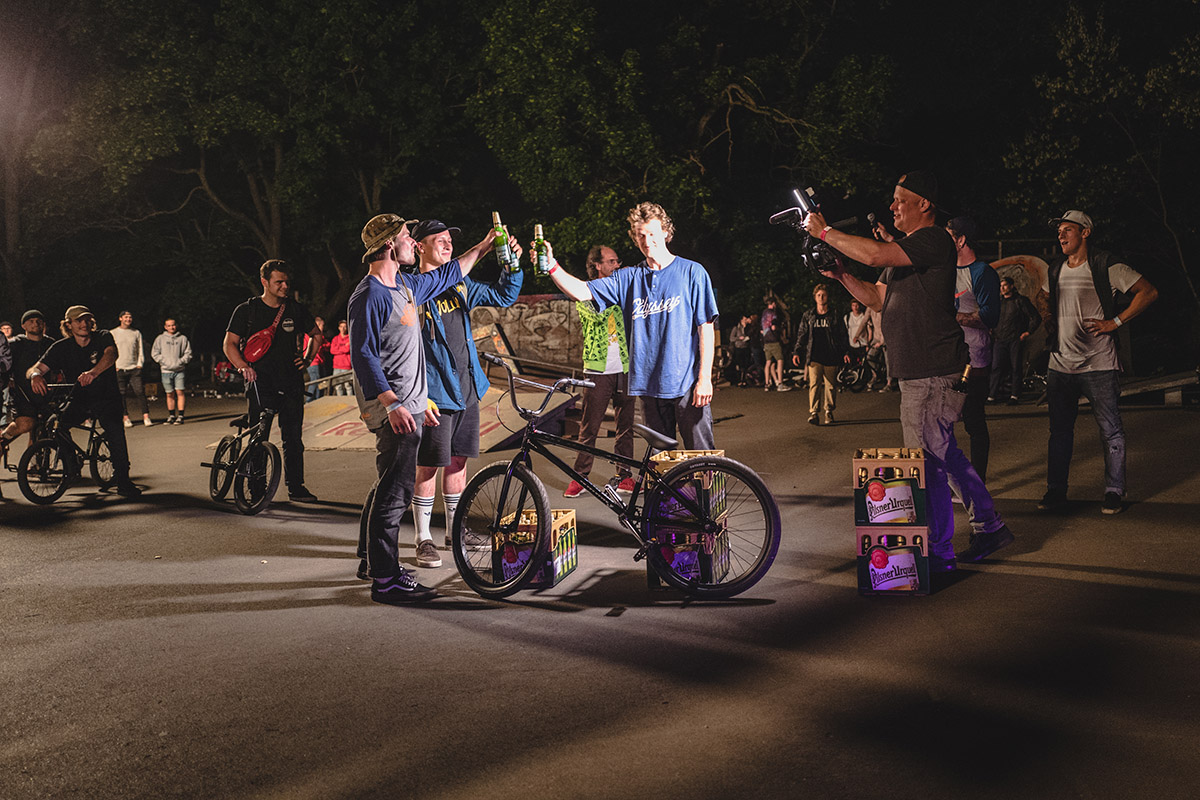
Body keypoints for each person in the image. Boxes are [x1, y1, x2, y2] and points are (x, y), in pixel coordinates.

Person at [802, 171, 1012, 569]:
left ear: (924, 205)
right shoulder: (905, 255)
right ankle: (989, 526)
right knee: (946, 456)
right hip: (924, 373)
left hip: (931, 372)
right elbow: (876, 299)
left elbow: (877, 254)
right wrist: (841, 273)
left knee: (927, 465)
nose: (893, 206)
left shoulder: (933, 240)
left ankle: (938, 554)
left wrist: (825, 231)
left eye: (901, 200)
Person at [350, 213, 499, 601]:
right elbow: (362, 355)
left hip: (411, 405)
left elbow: (450, 274)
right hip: (396, 408)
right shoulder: (370, 295)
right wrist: (392, 402)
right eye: (404, 236)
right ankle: (387, 581)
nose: (412, 242)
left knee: (388, 486)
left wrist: (483, 247)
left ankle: (373, 562)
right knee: (395, 493)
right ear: (388, 245)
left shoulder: (406, 285)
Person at [544, 202, 719, 450]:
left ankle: (710, 492)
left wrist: (705, 379)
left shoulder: (692, 272)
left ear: (666, 233)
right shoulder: (629, 278)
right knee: (660, 466)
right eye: (641, 235)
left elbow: (706, 328)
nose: (647, 241)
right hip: (649, 387)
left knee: (702, 457)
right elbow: (582, 291)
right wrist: (552, 266)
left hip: (687, 384)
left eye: (652, 233)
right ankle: (672, 491)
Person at [411, 218, 524, 568]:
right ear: (419, 247)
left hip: (466, 389)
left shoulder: (460, 285)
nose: (447, 245)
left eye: (449, 240)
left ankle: (453, 531)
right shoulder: (413, 287)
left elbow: (504, 295)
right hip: (435, 393)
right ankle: (422, 538)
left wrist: (512, 265)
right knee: (429, 465)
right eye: (439, 240)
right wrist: (417, 395)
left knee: (458, 461)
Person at [1038, 210, 1158, 515]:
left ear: (1085, 232)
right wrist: (1048, 318)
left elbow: (1148, 292)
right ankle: (1055, 491)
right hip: (1060, 365)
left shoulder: (1106, 265)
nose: (1061, 235)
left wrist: (1114, 322)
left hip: (1099, 364)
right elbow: (1041, 297)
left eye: (1068, 230)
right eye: (1059, 231)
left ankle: (1114, 491)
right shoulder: (1056, 269)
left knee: (1110, 430)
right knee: (1060, 432)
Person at [223, 260, 323, 502]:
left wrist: (308, 358)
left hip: (290, 382)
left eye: (287, 281)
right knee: (259, 436)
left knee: (293, 438)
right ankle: (256, 488)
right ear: (265, 282)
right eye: (279, 282)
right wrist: (243, 366)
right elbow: (229, 344)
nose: (285, 286)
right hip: (259, 382)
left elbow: (317, 335)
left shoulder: (296, 309)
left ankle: (296, 487)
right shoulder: (247, 310)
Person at [27, 306, 140, 497]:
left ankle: (123, 480)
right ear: (69, 324)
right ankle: (71, 465)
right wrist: (36, 376)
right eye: (78, 320)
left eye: (87, 320)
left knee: (115, 433)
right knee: (56, 426)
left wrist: (93, 373)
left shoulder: (102, 336)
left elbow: (111, 355)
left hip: (106, 397)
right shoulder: (61, 347)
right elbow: (35, 369)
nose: (84, 324)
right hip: (79, 398)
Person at [563, 245, 637, 498]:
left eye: (618, 261)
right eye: (612, 261)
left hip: (625, 366)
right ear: (598, 265)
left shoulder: (623, 288)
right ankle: (580, 477)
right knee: (589, 426)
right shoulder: (585, 292)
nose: (617, 265)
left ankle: (624, 475)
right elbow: (599, 316)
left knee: (626, 425)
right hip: (598, 368)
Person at [946, 216, 1000, 482]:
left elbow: (991, 316)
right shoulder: (944, 270)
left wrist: (958, 318)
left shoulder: (982, 272)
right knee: (942, 422)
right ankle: (952, 480)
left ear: (961, 240)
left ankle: (978, 482)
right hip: (948, 357)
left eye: (949, 237)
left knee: (974, 422)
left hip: (976, 359)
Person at [792, 283, 848, 425]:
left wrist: (845, 352)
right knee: (814, 384)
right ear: (815, 297)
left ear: (827, 297)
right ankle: (814, 412)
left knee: (830, 385)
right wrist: (797, 351)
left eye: (823, 295)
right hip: (814, 355)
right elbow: (802, 334)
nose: (821, 298)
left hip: (831, 354)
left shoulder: (834, 314)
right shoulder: (809, 315)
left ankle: (828, 411)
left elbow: (843, 335)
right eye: (818, 295)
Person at [0, 310, 55, 451]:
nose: (35, 324)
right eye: (31, 321)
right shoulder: (15, 344)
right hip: (22, 393)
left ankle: (34, 465)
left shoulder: (51, 344)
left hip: (46, 393)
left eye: (39, 321)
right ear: (23, 325)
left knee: (43, 428)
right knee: (26, 423)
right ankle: (4, 437)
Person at [988, 276, 1041, 404]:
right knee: (996, 367)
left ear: (1011, 286)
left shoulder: (1020, 301)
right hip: (1000, 340)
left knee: (1016, 368)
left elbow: (1035, 317)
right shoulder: (999, 302)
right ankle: (992, 396)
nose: (1002, 288)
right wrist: (992, 330)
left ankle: (1015, 396)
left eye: (1005, 285)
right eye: (1001, 286)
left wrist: (1028, 332)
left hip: (1014, 339)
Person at [110, 311, 153, 427]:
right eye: (126, 317)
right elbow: (110, 350)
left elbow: (140, 348)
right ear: (120, 318)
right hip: (120, 367)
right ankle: (125, 417)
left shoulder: (136, 332)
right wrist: (114, 365)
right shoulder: (113, 333)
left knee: (140, 392)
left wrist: (140, 363)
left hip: (134, 368)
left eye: (130, 317)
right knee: (121, 394)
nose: (128, 319)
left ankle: (146, 416)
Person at [151, 318, 192, 425]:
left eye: (173, 325)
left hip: (179, 370)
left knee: (180, 392)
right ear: (165, 327)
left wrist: (181, 361)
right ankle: (171, 415)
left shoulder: (182, 338)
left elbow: (188, 353)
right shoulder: (160, 339)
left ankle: (181, 415)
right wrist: (163, 361)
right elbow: (155, 353)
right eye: (169, 325)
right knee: (169, 394)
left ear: (176, 325)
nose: (171, 327)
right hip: (165, 370)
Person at [761, 295, 791, 391]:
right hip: (774, 340)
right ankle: (780, 383)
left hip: (766, 340)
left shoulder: (764, 313)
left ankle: (766, 384)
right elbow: (773, 326)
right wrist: (779, 330)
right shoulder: (773, 313)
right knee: (780, 360)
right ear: (773, 304)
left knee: (768, 362)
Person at [728, 312, 759, 387]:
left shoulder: (748, 327)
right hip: (739, 347)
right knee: (740, 365)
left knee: (746, 364)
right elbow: (731, 338)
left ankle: (745, 380)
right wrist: (739, 338)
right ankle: (740, 380)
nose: (746, 320)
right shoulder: (736, 328)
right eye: (744, 319)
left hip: (746, 347)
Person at [304, 316, 328, 402]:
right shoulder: (312, 335)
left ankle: (319, 399)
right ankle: (309, 400)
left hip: (320, 361)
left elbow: (327, 346)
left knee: (320, 382)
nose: (323, 328)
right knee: (315, 380)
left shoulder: (320, 336)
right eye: (322, 325)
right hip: (313, 361)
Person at [329, 320, 352, 395]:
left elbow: (348, 349)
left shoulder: (350, 338)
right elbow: (332, 350)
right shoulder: (335, 339)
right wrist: (344, 347)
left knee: (347, 385)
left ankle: (350, 401)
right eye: (341, 327)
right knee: (338, 386)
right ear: (339, 328)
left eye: (345, 327)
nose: (343, 328)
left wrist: (338, 348)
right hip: (337, 365)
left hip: (346, 365)